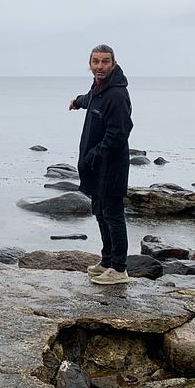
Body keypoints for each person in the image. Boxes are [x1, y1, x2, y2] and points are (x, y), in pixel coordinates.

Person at [68, 44, 133, 285]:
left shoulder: (116, 95)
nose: (100, 66)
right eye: (95, 62)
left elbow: (119, 133)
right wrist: (77, 101)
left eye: (105, 61)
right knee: (100, 213)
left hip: (111, 166)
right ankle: (107, 260)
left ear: (113, 64)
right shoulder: (99, 89)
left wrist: (94, 154)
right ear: (90, 65)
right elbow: (91, 99)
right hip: (97, 168)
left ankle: (119, 268)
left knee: (113, 215)